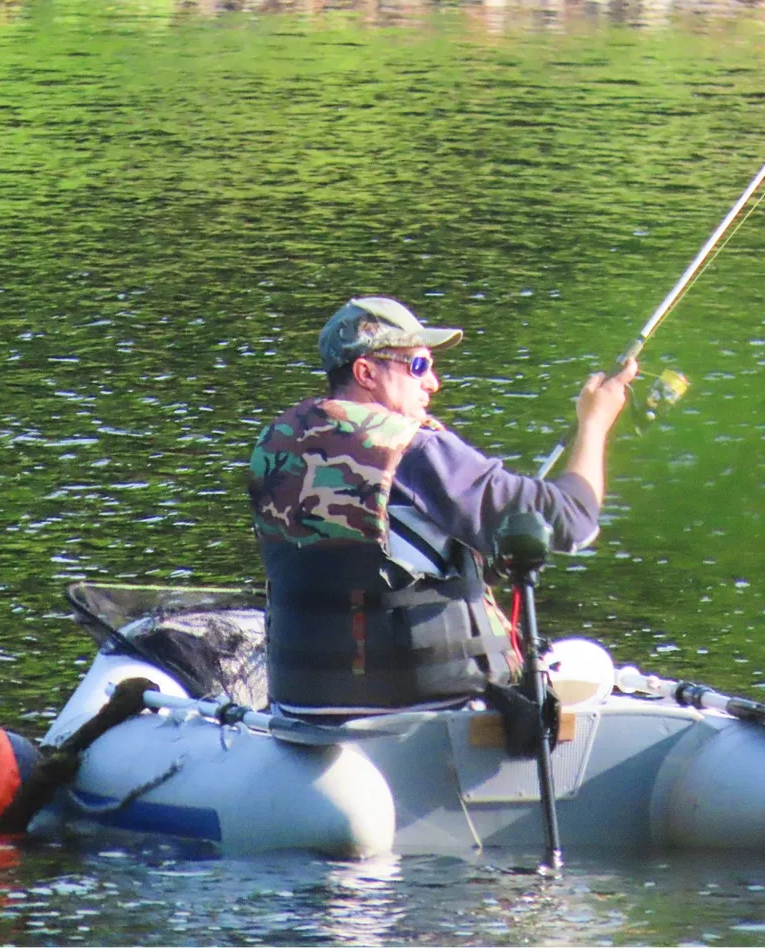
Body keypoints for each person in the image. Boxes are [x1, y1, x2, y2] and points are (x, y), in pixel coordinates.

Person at [247, 295, 637, 717]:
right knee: (590, 663)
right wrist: (594, 424)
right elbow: (573, 520)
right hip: (427, 701)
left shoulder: (277, 443)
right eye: (417, 366)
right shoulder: (413, 448)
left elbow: (380, 564)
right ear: (366, 372)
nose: (433, 382)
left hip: (304, 697)